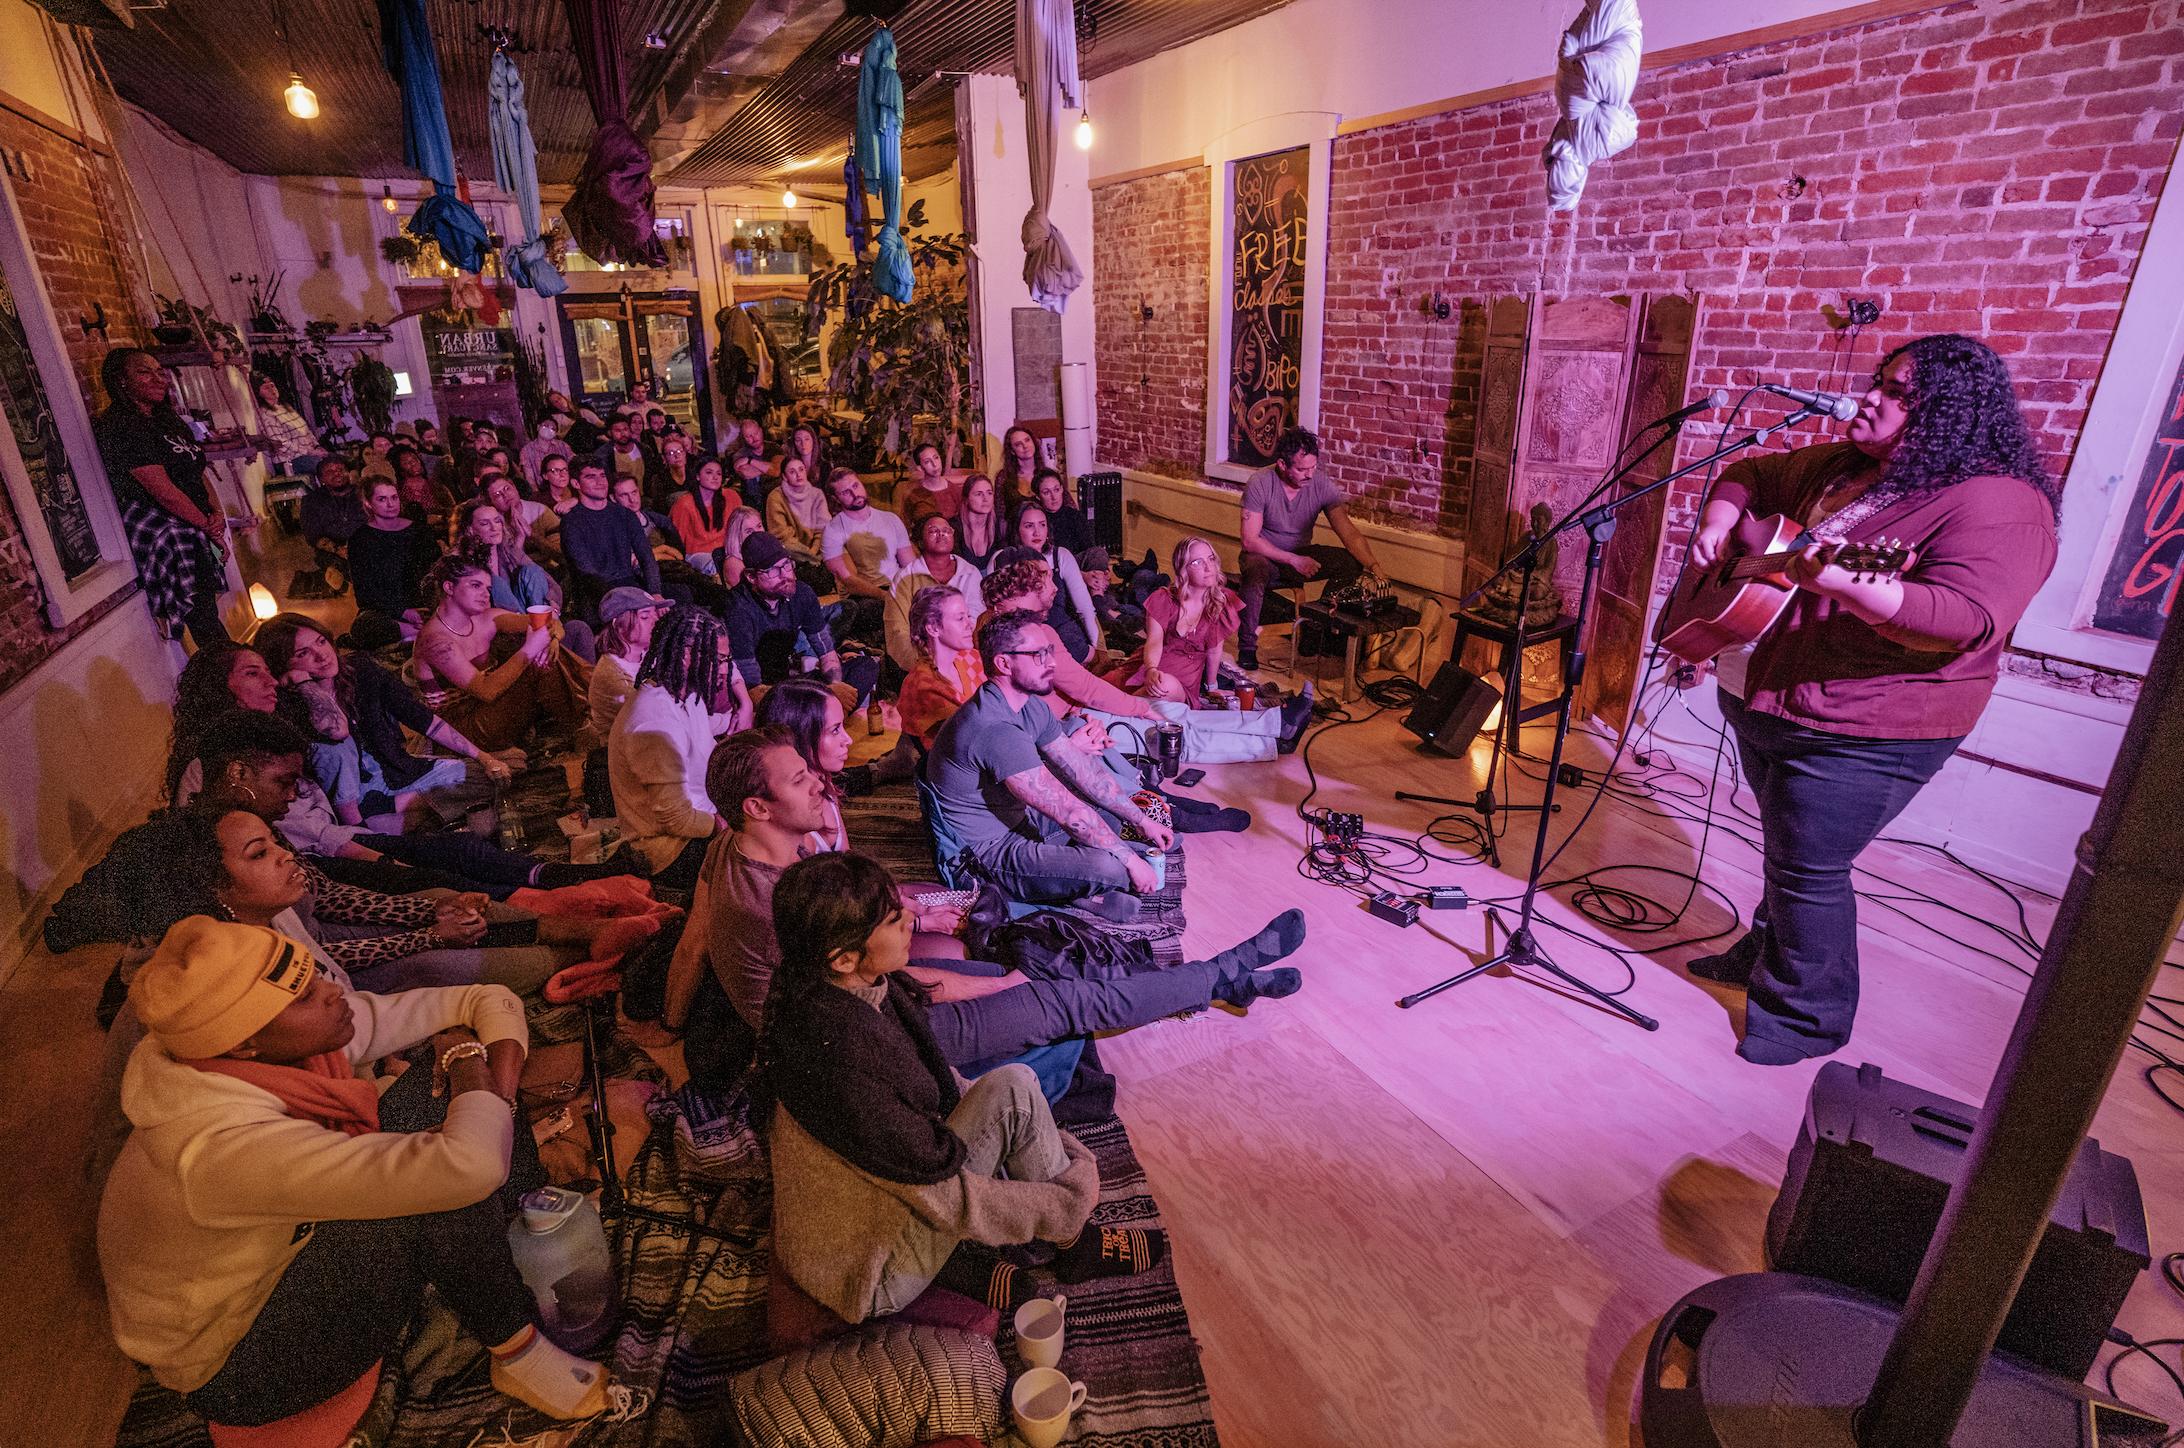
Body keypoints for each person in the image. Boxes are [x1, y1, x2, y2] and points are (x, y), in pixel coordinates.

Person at [97, 916, 644, 1429]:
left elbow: (484, 999)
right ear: (244, 1042)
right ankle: (516, 1350)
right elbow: (468, 1164)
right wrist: (466, 1066)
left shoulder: (278, 1052)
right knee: (436, 1184)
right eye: (306, 994)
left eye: (313, 976)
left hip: (281, 1255)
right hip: (242, 1360)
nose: (334, 990)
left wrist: (487, 1090)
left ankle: (513, 1222)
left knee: (445, 1116)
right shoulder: (218, 1152)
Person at [1682, 333, 2060, 1065]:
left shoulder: (2000, 504)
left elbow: (1964, 620)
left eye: (1897, 393)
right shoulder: (1849, 465)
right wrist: (1719, 520)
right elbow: (1752, 472)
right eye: (1878, 381)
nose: (1870, 399)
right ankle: (1767, 956)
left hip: (1869, 723)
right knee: (1790, 851)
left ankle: (1804, 1017)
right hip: (1773, 696)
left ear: (1948, 414)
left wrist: (1847, 584)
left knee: (1811, 866)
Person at [758, 851, 1192, 1324]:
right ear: (843, 958)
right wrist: (1065, 1201)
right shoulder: (842, 1062)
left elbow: (946, 1089)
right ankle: (1070, 1242)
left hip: (882, 1207)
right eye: (892, 918)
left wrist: (1061, 1149)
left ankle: (1037, 1246)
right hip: (866, 1273)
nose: (910, 918)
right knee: (1023, 1092)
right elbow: (949, 1198)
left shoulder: (838, 990)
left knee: (1015, 1082)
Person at [925, 610, 1173, 911]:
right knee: (1110, 866)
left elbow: (1085, 772)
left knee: (1105, 817)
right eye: (1039, 655)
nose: (1052, 662)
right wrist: (1131, 860)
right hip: (986, 857)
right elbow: (1069, 812)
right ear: (1004, 662)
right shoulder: (993, 728)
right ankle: (1065, 893)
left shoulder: (1031, 706)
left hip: (1019, 823)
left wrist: (1141, 819)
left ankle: (1073, 891)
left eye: (1049, 652)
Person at [252, 614, 519, 835]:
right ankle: (411, 822)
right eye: (303, 653)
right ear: (284, 666)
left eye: (321, 642)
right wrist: (304, 683)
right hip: (357, 803)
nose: (322, 655)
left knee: (508, 766)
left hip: (399, 774)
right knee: (486, 795)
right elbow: (336, 731)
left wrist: (482, 757)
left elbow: (419, 717)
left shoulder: (361, 669)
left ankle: (417, 817)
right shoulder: (292, 706)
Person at [93, 347, 231, 646]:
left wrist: (217, 515)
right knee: (203, 617)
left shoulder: (169, 420)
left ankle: (232, 671)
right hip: (169, 530)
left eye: (159, 371)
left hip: (196, 522)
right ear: (121, 381)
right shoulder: (119, 425)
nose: (158, 379)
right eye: (145, 372)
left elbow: (199, 471)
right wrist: (207, 525)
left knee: (207, 612)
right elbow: (162, 491)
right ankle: (230, 676)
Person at [608, 607, 751, 887]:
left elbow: (699, 732)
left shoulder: (685, 695)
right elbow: (676, 818)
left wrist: (745, 709)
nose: (725, 669)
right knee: (768, 845)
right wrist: (728, 826)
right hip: (669, 851)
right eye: (720, 660)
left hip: (701, 819)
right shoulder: (655, 722)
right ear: (687, 655)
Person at [1237, 426, 1387, 671]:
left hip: (1299, 556)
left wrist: (1374, 565)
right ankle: (1247, 648)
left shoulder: (1319, 484)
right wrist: (1294, 560)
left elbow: (1348, 532)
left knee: (1350, 562)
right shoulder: (1260, 483)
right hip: (1265, 556)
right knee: (1254, 576)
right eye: (1301, 469)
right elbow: (1250, 540)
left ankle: (1315, 629)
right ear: (1283, 465)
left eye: (1313, 467)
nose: (1309, 474)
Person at [414, 553, 593, 755]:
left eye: (488, 588)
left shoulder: (485, 619)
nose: (485, 594)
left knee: (546, 651)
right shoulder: (434, 641)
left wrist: (554, 635)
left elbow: (545, 620)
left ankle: (592, 712)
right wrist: (529, 650)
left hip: (491, 712)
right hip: (463, 732)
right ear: (449, 587)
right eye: (475, 585)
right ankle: (589, 719)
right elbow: (486, 691)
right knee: (538, 661)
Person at [725, 532, 881, 705]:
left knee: (865, 666)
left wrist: (836, 686)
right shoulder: (738, 608)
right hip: (769, 694)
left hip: (791, 682)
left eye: (787, 565)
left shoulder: (802, 593)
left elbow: (827, 654)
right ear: (751, 577)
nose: (786, 576)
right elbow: (752, 691)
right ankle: (824, 718)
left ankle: (826, 718)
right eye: (773, 571)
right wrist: (827, 693)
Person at [1121, 535, 1241, 704]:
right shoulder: (1164, 599)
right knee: (1098, 689)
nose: (1209, 567)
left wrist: (1212, 687)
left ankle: (1119, 707)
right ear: (1184, 570)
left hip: (1181, 685)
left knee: (1165, 685)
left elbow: (1214, 651)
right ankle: (1118, 706)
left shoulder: (1219, 603)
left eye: (1211, 559)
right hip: (1151, 670)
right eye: (1198, 562)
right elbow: (1154, 640)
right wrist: (1151, 669)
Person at [821, 466, 911, 647]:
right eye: (846, 492)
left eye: (856, 485)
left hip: (896, 587)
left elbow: (910, 564)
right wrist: (886, 596)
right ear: (836, 499)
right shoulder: (833, 530)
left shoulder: (890, 519)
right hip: (864, 596)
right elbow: (849, 581)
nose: (854, 493)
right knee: (883, 611)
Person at [886, 514, 986, 670]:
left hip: (965, 661)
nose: (941, 534)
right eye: (933, 531)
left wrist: (955, 662)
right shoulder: (906, 577)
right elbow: (898, 628)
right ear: (920, 541)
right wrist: (922, 664)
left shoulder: (970, 573)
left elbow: (974, 621)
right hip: (919, 662)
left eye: (947, 530)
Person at [560, 461, 663, 612]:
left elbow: (646, 557)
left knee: (681, 595)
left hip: (629, 584)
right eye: (591, 477)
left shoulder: (625, 514)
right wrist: (620, 600)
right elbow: (586, 571)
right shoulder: (571, 522)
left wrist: (655, 592)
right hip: (595, 595)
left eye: (602, 476)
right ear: (576, 483)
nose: (600, 481)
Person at [1011, 503, 1100, 662]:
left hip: (1062, 629)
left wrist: (1097, 646)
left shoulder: (1061, 556)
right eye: (1029, 526)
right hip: (1022, 633)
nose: (1037, 532)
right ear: (1018, 529)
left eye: (1042, 525)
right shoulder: (1004, 558)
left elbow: (1084, 607)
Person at [898, 584, 985, 748]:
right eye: (960, 618)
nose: (971, 624)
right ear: (933, 628)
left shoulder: (972, 657)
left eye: (968, 616)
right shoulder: (921, 684)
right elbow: (968, 741)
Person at [348, 478, 435, 631]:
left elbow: (436, 573)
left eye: (394, 497)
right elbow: (364, 592)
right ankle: (411, 631)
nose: (391, 504)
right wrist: (402, 612)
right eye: (382, 499)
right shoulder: (360, 539)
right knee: (364, 624)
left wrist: (427, 606)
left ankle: (417, 631)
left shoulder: (420, 531)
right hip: (388, 610)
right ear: (368, 503)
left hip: (424, 605)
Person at [454, 497, 562, 618]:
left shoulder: (507, 548)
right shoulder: (461, 558)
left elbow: (547, 580)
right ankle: (528, 629)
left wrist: (550, 602)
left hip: (520, 612)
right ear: (471, 530)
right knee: (497, 582)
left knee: (532, 571)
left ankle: (543, 621)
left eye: (497, 521)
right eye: (485, 523)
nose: (494, 528)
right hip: (491, 618)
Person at [586, 587, 668, 741]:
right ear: (619, 625)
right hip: (621, 753)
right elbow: (659, 719)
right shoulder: (612, 675)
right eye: (645, 617)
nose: (655, 620)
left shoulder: (647, 654)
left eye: (654, 614)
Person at [764, 453, 834, 594]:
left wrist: (814, 551)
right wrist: (810, 556)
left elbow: (823, 529)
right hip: (795, 554)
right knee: (786, 548)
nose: (798, 474)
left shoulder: (816, 494)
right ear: (784, 476)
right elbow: (782, 536)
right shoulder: (776, 497)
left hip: (816, 552)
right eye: (792, 471)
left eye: (801, 469)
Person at [298, 456, 366, 596]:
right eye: (329, 472)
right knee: (331, 561)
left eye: (340, 470)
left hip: (366, 542)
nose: (337, 474)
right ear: (321, 479)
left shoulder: (364, 493)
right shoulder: (311, 501)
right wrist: (338, 549)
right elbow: (312, 534)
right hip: (334, 547)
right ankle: (346, 586)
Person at [670, 455, 737, 581]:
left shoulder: (731, 496)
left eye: (719, 473)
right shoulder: (684, 503)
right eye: (709, 472)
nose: (715, 477)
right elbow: (677, 539)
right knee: (718, 566)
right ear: (698, 476)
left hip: (726, 551)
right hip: (697, 554)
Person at [254, 376, 321, 479]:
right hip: (290, 460)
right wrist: (309, 451)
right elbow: (279, 442)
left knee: (333, 462)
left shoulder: (286, 408)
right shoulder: (266, 413)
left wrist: (316, 446)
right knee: (327, 466)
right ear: (260, 394)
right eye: (266, 388)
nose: (272, 389)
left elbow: (306, 430)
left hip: (307, 454)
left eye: (272, 385)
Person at [953, 472, 1009, 574]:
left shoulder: (1001, 526)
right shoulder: (954, 527)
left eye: (989, 493)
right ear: (966, 499)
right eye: (979, 494)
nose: (985, 499)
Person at [901, 441, 962, 529]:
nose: (934, 464)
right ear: (920, 468)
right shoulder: (913, 494)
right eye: (927, 462)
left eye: (936, 458)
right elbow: (904, 526)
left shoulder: (954, 490)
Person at [1033, 469, 1092, 558]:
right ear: (1038, 496)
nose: (1054, 497)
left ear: (1062, 489)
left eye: (1056, 490)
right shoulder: (1038, 520)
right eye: (1046, 492)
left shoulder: (1074, 516)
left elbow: (1089, 548)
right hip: (1051, 564)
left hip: (1076, 563)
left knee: (1099, 554)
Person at [519, 416, 572, 491]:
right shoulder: (527, 450)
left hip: (565, 488)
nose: (548, 430)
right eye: (546, 426)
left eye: (552, 428)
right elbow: (530, 478)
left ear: (555, 433)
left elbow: (573, 465)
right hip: (542, 490)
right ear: (538, 427)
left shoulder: (563, 446)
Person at [727, 417, 772, 505]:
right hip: (753, 501)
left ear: (760, 431)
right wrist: (769, 469)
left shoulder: (774, 448)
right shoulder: (740, 455)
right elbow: (746, 473)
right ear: (744, 438)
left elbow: (777, 469)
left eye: (755, 433)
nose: (754, 438)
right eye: (748, 436)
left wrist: (749, 461)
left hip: (775, 497)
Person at [719, 505, 765, 590]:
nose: (757, 533)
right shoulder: (733, 563)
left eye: (759, 526)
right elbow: (748, 597)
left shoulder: (767, 550)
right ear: (736, 535)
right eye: (749, 531)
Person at [594, 415, 648, 486]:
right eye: (618, 431)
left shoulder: (644, 449)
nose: (623, 434)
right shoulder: (603, 454)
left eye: (625, 429)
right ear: (610, 433)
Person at [995, 425, 1040, 505]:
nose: (1025, 446)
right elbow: (1000, 512)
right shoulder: (1004, 477)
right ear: (1012, 451)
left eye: (1027, 440)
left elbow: (1067, 505)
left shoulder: (1048, 474)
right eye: (1018, 444)